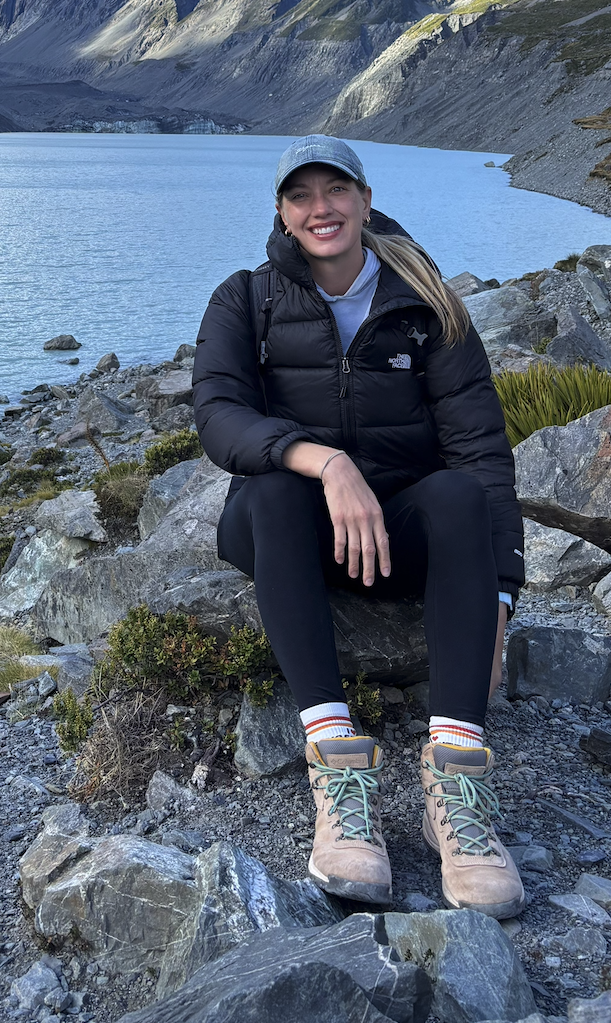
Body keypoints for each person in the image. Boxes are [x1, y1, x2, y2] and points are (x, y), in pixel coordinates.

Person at [192, 134, 525, 918]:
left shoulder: (423, 300)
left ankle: (456, 782)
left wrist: (502, 597)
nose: (321, 209)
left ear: (365, 200)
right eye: (301, 195)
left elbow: (480, 450)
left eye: (335, 190)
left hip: (397, 534)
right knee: (271, 494)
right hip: (290, 529)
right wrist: (323, 463)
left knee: (456, 499)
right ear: (281, 212)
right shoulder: (244, 298)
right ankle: (339, 770)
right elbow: (217, 416)